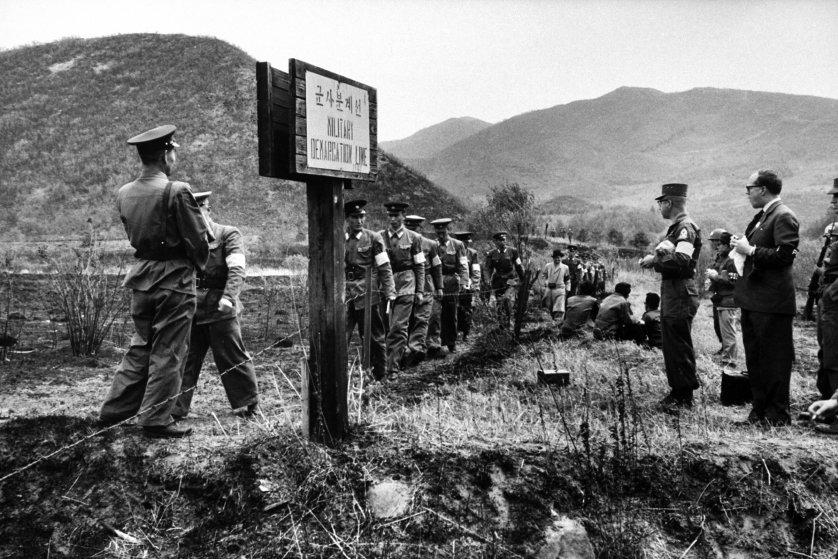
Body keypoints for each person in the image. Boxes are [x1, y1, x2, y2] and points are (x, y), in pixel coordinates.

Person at [99, 124, 209, 438]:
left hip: (141, 278)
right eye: (172, 151)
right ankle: (155, 419)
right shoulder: (177, 190)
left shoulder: (124, 192)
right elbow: (198, 240)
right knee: (170, 350)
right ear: (164, 154)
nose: (174, 156)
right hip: (173, 279)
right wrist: (198, 265)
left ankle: (115, 412)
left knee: (140, 346)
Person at [172, 192, 260, 420]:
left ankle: (247, 404)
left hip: (221, 308)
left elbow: (237, 269)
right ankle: (176, 408)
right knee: (185, 359)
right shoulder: (187, 240)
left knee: (232, 356)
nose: (194, 220)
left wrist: (228, 297)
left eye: (198, 212)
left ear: (207, 210)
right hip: (191, 309)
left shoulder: (228, 234)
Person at [731, 170, 799, 427]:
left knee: (773, 362)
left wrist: (751, 250)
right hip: (755, 300)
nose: (747, 193)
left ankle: (776, 415)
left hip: (772, 303)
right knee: (756, 361)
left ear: (762, 189)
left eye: (749, 188)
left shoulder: (783, 216)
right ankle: (760, 412)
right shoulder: (764, 217)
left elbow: (785, 255)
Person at [639, 183, 701, 411]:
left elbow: (682, 260)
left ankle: (683, 396)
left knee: (678, 343)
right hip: (675, 290)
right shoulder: (678, 228)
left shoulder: (685, 228)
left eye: (661, 202)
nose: (660, 207)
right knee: (672, 343)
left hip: (680, 291)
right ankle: (678, 391)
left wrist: (655, 260)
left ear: (669, 203)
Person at [344, 200, 396, 381]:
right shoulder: (341, 238)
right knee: (343, 335)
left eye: (361, 217)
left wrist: (390, 291)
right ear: (347, 219)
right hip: (345, 295)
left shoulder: (374, 238)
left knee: (374, 337)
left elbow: (384, 266)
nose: (358, 221)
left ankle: (380, 375)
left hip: (367, 294)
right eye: (354, 217)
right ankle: (341, 377)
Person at [380, 202, 426, 376]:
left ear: (403, 216)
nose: (393, 219)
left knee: (398, 327)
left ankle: (392, 368)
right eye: (390, 216)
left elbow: (419, 266)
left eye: (396, 216)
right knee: (383, 327)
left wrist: (419, 291)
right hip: (384, 286)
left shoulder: (414, 238)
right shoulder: (380, 236)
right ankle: (389, 359)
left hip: (406, 285)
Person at [810, 179, 838, 434]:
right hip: (829, 301)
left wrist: (832, 293)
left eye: (837, 197)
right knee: (827, 355)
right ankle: (828, 405)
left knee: (835, 357)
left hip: (834, 302)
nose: (833, 202)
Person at [404, 215, 443, 366]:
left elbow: (436, 267)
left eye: (415, 228)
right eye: (409, 228)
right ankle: (405, 349)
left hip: (426, 283)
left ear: (420, 228)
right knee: (406, 318)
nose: (412, 231)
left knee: (422, 317)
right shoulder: (402, 243)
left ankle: (416, 350)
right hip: (406, 282)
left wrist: (439, 287)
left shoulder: (431, 244)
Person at [427, 218, 468, 353]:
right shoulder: (431, 245)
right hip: (435, 282)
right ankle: (433, 344)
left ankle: (451, 342)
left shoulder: (458, 245)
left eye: (443, 231)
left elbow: (463, 265)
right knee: (434, 314)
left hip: (451, 282)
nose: (440, 234)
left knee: (450, 314)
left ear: (448, 230)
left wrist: (463, 281)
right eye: (438, 231)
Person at [706, 228, 739, 367]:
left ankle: (730, 361)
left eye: (720, 244)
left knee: (729, 332)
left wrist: (716, 277)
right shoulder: (722, 259)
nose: (717, 246)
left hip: (728, 301)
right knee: (724, 332)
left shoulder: (731, 261)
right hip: (721, 300)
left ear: (727, 245)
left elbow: (734, 282)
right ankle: (726, 356)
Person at [485, 232, 524, 327]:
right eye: (501, 240)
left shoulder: (513, 251)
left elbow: (518, 266)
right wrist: (487, 280)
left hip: (511, 280)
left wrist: (523, 279)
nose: (503, 242)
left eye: (504, 240)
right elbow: (488, 268)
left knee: (507, 299)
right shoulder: (491, 254)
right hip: (498, 281)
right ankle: (502, 324)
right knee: (499, 302)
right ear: (496, 242)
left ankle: (510, 320)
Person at [452, 231, 481, 341]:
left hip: (467, 285)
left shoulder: (472, 253)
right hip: (453, 285)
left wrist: (475, 284)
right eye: (464, 242)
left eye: (467, 242)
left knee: (467, 309)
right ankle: (455, 332)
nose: (466, 245)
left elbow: (476, 270)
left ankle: (466, 332)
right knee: (454, 309)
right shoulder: (452, 252)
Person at [540, 249, 570, 321]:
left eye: (559, 257)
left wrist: (568, 288)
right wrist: (544, 284)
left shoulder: (565, 267)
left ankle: (558, 324)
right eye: (556, 257)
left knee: (559, 309)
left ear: (561, 258)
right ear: (553, 258)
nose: (557, 259)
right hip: (549, 289)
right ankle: (548, 323)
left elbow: (567, 279)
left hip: (560, 289)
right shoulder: (548, 266)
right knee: (547, 308)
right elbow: (543, 276)